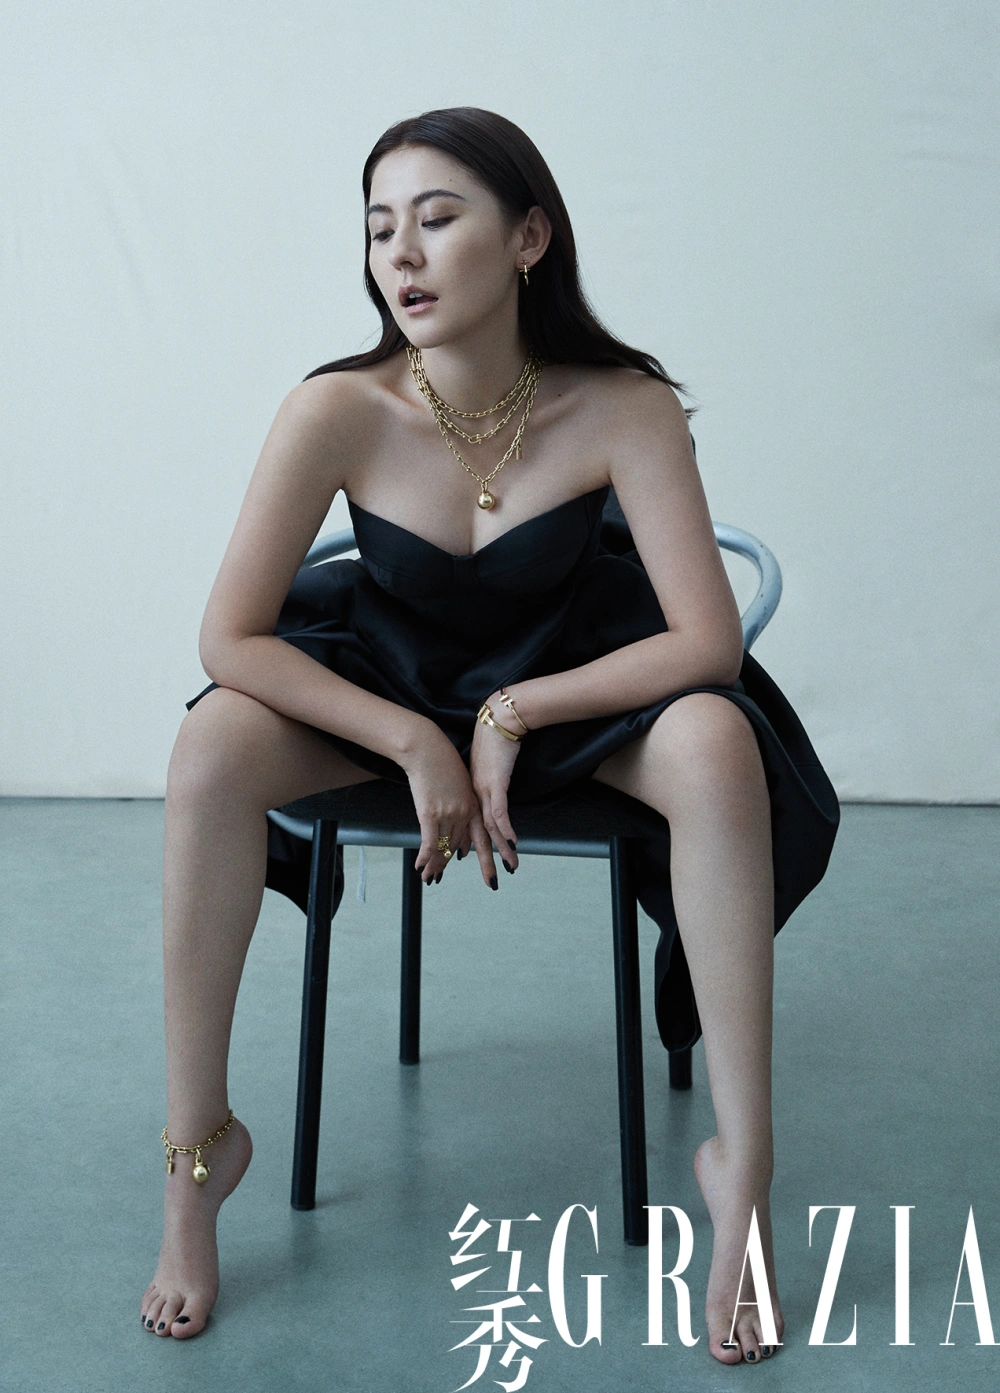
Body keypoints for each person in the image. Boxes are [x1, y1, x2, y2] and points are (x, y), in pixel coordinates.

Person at [140, 107, 839, 1363]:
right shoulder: (334, 408)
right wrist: (417, 741)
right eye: (379, 230)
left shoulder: (625, 406)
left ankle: (740, 1171)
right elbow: (227, 638)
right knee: (210, 748)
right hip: (389, 680)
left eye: (436, 219)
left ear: (527, 238)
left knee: (713, 743)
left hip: (573, 681)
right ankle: (198, 1158)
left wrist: (516, 711)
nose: (400, 256)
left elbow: (705, 642)